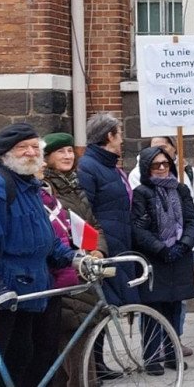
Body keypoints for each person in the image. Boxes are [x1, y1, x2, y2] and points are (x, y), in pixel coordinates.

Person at [0, 124, 92, 386]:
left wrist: (73, 257)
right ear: (5, 153)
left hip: (35, 290)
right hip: (6, 292)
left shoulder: (32, 186)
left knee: (33, 361)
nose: (30, 152)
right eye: (22, 147)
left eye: (35, 146)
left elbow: (46, 238)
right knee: (9, 366)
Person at [37, 132, 107, 384]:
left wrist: (98, 249)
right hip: (65, 270)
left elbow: (91, 224)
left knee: (83, 337)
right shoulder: (48, 189)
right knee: (71, 336)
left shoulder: (74, 184)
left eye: (70, 151)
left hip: (83, 267)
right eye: (60, 152)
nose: (67, 156)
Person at [131, 146, 194, 373]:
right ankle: (152, 358)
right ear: (147, 168)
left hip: (179, 256)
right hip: (155, 258)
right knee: (153, 308)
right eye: (156, 164)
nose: (161, 168)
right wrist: (161, 249)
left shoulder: (180, 189)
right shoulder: (142, 192)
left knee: (175, 308)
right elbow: (138, 229)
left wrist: (184, 244)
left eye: (165, 164)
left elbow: (192, 220)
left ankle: (172, 354)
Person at [76, 113, 138, 312]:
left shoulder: (109, 166)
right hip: (105, 245)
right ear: (109, 136)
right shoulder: (89, 166)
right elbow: (85, 210)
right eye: (119, 134)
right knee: (103, 306)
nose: (122, 140)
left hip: (119, 240)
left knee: (114, 307)